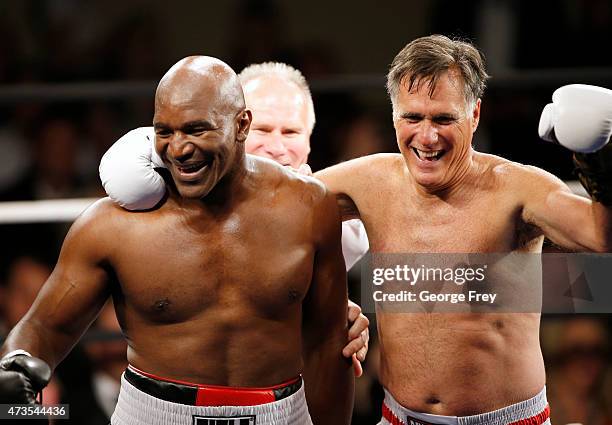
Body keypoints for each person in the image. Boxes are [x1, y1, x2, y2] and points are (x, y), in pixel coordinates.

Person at [93, 36, 612, 424]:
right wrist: (162, 155)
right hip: (397, 417)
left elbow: (600, 236)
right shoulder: (370, 182)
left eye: (443, 118)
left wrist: (596, 159)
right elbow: (259, 205)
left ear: (474, 114)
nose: (426, 136)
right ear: (393, 116)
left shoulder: (520, 189)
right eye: (412, 117)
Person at [0, 56, 354, 425]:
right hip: (152, 412)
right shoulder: (113, 225)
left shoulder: (308, 208)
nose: (179, 149)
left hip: (281, 412)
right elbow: (42, 329)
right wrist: (16, 378)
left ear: (242, 125)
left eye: (197, 130)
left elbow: (328, 343)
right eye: (165, 132)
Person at [99, 61, 370, 373]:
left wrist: (337, 315)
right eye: (264, 130)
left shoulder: (330, 219)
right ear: (237, 127)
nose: (278, 148)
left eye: (291, 132)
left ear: (309, 141)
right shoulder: (172, 189)